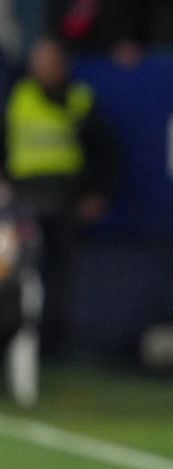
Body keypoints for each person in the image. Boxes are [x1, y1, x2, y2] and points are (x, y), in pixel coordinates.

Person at [0, 38, 122, 361]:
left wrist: (99, 194)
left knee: (59, 279)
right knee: (14, 276)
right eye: (39, 63)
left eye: (51, 63)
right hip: (22, 202)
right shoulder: (18, 97)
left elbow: (107, 151)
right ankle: (13, 349)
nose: (45, 70)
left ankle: (52, 349)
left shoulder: (79, 99)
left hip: (63, 201)